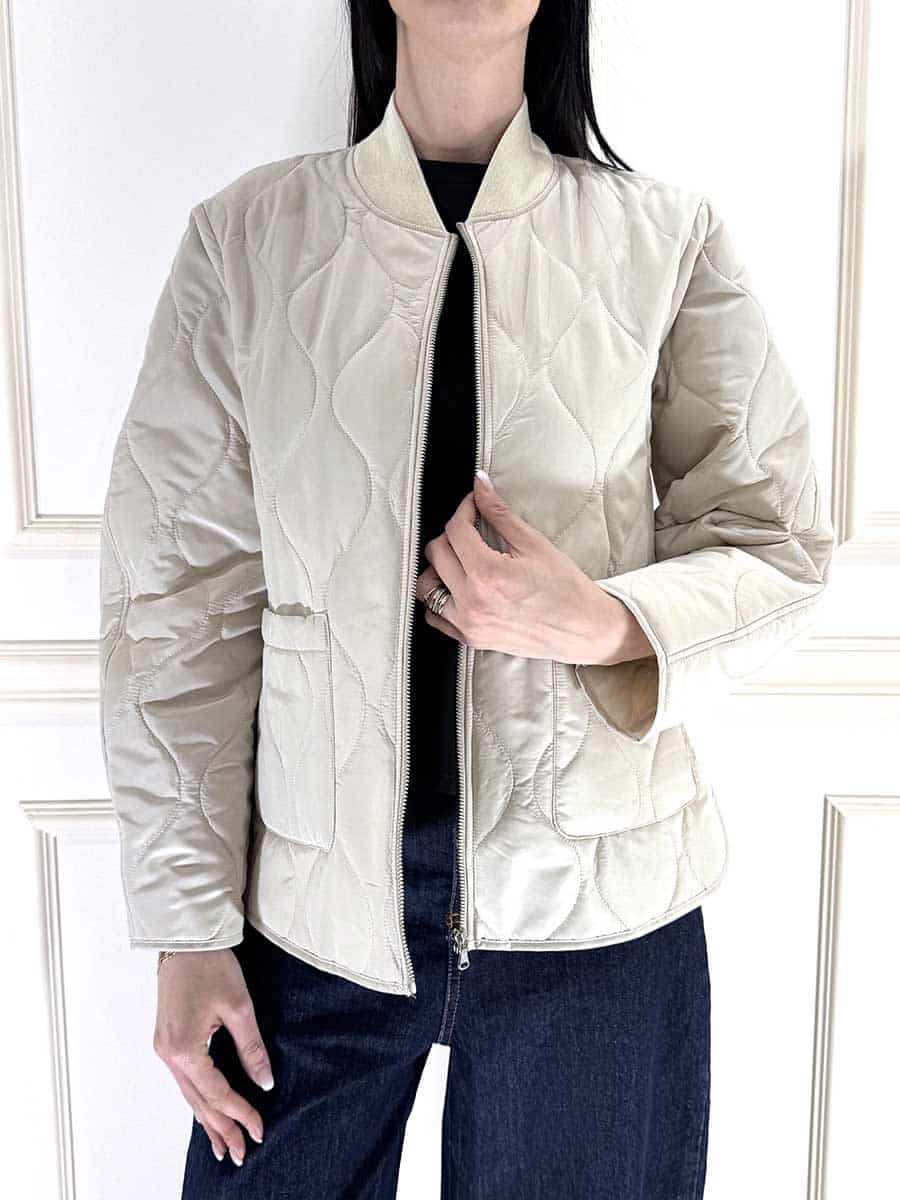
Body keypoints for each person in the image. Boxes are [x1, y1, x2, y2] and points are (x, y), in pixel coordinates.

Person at [98, 1, 836, 1196]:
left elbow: (777, 541)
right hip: (312, 916)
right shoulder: (249, 240)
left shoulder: (665, 238)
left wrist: (604, 623)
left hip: (599, 916)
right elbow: (178, 605)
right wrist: (187, 927)